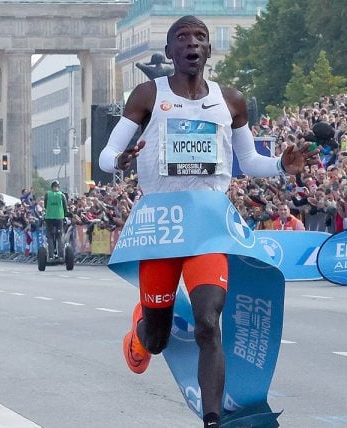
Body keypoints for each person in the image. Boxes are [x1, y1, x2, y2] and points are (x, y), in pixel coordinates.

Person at [99, 16, 315, 428]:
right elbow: (109, 154)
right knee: (159, 338)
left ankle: (213, 421)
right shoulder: (147, 94)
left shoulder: (230, 99)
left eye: (200, 37)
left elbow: (249, 162)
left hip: (208, 225)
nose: (192, 43)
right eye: (182, 38)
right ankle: (142, 328)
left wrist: (283, 166)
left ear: (209, 51)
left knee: (208, 322)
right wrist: (120, 162)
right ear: (170, 52)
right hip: (162, 225)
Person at [42, 180, 68, 257]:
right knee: (59, 235)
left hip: (49, 217)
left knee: (50, 236)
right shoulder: (61, 195)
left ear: (51, 187)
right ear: (58, 187)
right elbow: (65, 207)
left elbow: (45, 206)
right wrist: (65, 214)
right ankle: (60, 254)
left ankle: (50, 254)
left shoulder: (47, 194)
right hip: (59, 217)